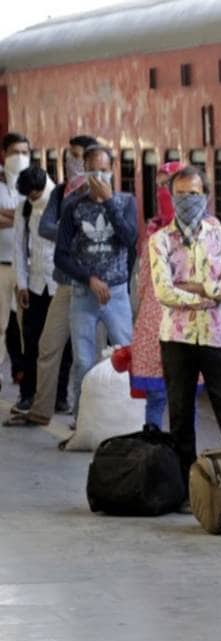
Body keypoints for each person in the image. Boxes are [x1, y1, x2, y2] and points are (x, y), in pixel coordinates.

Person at [148, 164, 221, 505]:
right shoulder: (160, 240)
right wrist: (210, 297)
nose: (187, 200)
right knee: (180, 415)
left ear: (205, 195)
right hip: (176, 339)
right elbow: (164, 292)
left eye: (193, 194)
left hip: (216, 338)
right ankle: (185, 492)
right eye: (180, 194)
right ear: (171, 196)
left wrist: (202, 288)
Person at [7, 134, 95, 426]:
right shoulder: (37, 203)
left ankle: (65, 401)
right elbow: (24, 244)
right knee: (37, 343)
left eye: (77, 156)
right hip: (41, 284)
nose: (32, 200)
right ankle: (32, 398)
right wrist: (21, 284)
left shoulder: (68, 197)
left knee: (72, 349)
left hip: (70, 284)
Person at [54, 145, 137, 423]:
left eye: (104, 170)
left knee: (126, 354)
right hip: (83, 293)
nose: (99, 176)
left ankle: (130, 416)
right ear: (84, 172)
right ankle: (82, 419)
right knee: (83, 361)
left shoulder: (126, 202)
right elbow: (61, 256)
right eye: (93, 171)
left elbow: (129, 239)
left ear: (112, 170)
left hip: (117, 294)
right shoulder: (73, 207)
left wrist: (109, 202)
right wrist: (88, 279)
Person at [130, 160, 184, 429]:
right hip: (155, 321)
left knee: (181, 396)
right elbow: (143, 281)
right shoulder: (153, 229)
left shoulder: (206, 230)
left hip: (186, 323)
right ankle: (155, 444)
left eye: (169, 185)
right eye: (160, 186)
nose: (163, 192)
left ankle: (179, 448)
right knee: (158, 395)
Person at [9, 166, 56, 416]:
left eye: (34, 195)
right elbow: (19, 247)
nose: (31, 199)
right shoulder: (24, 208)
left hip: (60, 285)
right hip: (36, 285)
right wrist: (22, 284)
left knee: (62, 346)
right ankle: (27, 394)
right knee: (31, 341)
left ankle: (59, 397)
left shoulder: (60, 202)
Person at [0, 132, 32, 395]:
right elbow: (27, 217)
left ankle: (25, 377)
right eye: (14, 152)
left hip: (28, 267)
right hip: (0, 265)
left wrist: (9, 215)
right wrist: (21, 216)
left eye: (24, 152)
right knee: (0, 325)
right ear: (4, 154)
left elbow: (36, 217)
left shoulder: (36, 182)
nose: (20, 157)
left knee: (25, 326)